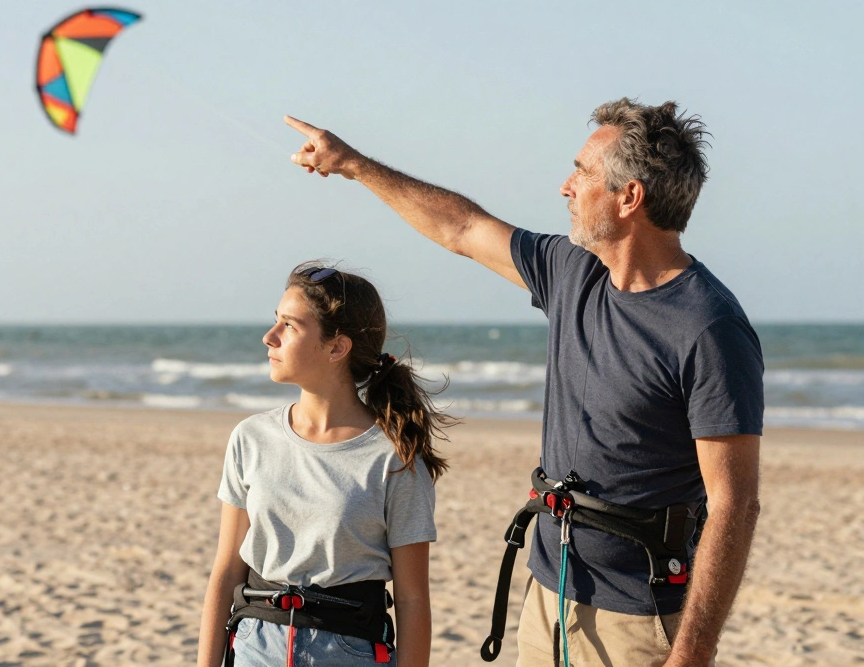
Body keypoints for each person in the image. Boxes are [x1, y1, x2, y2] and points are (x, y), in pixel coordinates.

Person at [284, 99, 763, 667]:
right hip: (549, 593)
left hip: (639, 616)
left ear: (629, 197)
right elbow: (461, 227)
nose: (566, 186)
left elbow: (735, 503)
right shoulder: (573, 272)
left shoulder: (707, 327)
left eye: (583, 172)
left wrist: (693, 652)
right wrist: (354, 164)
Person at [198, 263, 453, 667]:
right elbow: (226, 571)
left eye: (289, 326)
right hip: (252, 646)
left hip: (349, 652)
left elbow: (412, 599)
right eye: (275, 322)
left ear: (337, 348)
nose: (269, 337)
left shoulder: (395, 457)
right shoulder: (251, 437)